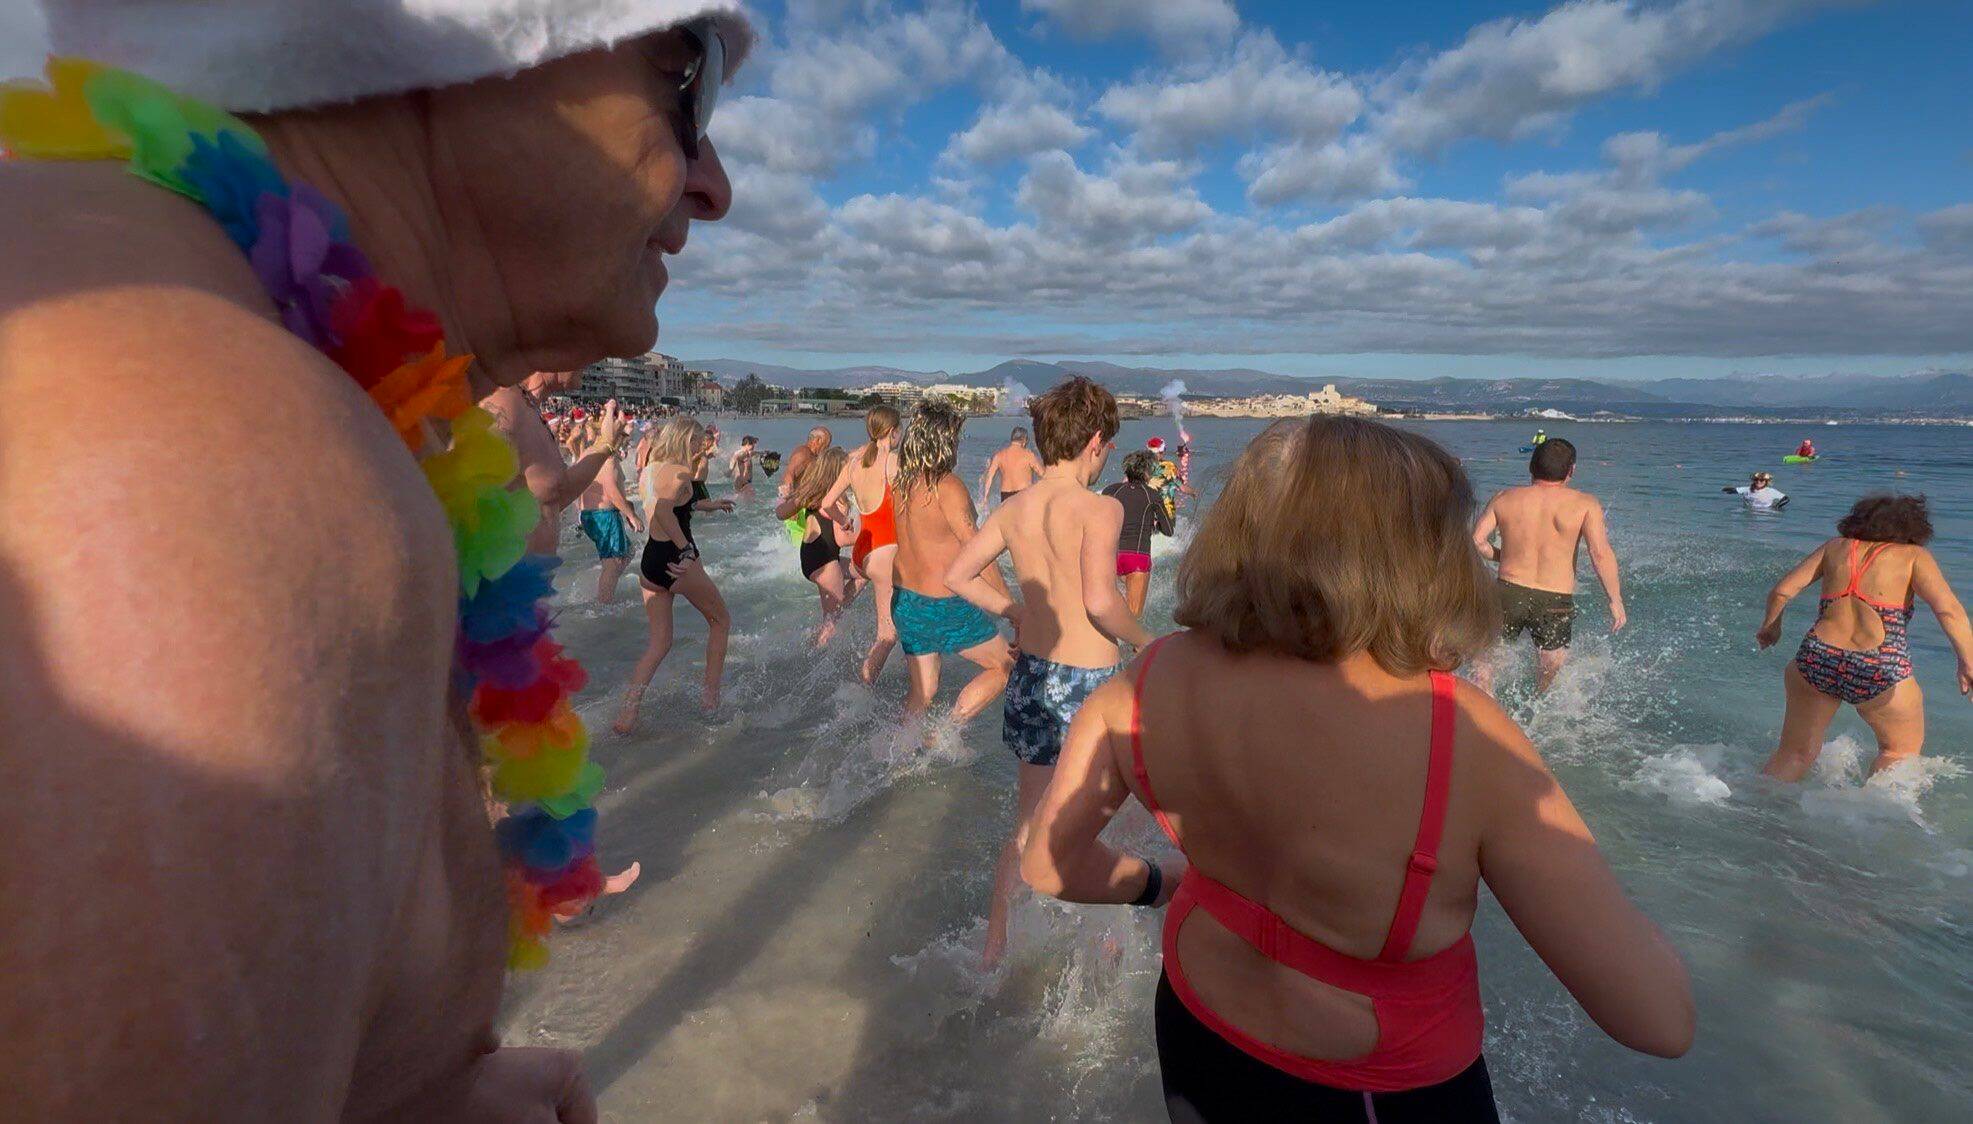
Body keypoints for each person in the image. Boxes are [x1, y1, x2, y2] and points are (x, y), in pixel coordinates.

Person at [0, 2, 751, 1117]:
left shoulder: (214, 351)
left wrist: (417, 1085)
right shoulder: (201, 437)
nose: (714, 182)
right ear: (445, 36)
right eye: (689, 81)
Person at [1022, 417, 1694, 1121]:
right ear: (1420, 552)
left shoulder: (1150, 674)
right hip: (1373, 1083)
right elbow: (1657, 1021)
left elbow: (1048, 866)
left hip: (1195, 1022)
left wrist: (1162, 883)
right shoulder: (1460, 730)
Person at [946, 377, 1151, 967]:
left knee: (1028, 824)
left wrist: (1014, 609)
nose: (1107, 452)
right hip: (1088, 686)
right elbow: (1099, 602)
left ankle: (993, 950)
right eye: (1108, 443)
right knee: (1110, 824)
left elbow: (959, 576)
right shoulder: (1101, 506)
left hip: (1032, 676)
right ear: (1095, 440)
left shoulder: (1016, 509)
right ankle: (1105, 952)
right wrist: (1152, 641)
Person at [1756, 494, 1973, 781]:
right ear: (1914, 529)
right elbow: (1948, 612)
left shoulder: (1834, 548)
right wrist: (1967, 661)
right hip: (1879, 665)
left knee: (1794, 753)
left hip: (1818, 656)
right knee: (1897, 753)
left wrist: (1771, 627)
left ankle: (1755, 811)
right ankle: (1876, 820)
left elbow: (1782, 591)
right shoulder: (1914, 557)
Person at [890, 401, 1015, 730]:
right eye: (956, 437)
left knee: (923, 693)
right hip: (943, 604)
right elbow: (978, 552)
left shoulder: (900, 485)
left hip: (905, 602)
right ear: (942, 442)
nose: (958, 444)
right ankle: (944, 733)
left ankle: (897, 757)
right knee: (1004, 666)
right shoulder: (948, 486)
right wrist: (1012, 609)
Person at [1472, 438, 1626, 694]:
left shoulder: (1504, 498)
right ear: (1571, 471)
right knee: (1550, 665)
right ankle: (1537, 704)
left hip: (1508, 592)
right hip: (1554, 600)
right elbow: (1600, 554)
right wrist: (1615, 599)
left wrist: (1503, 556)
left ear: (1531, 468)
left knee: (1486, 663)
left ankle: (1482, 709)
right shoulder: (1586, 504)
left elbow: (1477, 541)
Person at [616, 417, 733, 733]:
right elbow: (668, 510)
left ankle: (627, 716)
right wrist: (686, 550)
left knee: (659, 642)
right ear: (686, 441)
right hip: (676, 559)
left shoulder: (653, 468)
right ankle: (711, 703)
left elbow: (673, 503)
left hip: (651, 561)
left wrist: (710, 505)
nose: (701, 449)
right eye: (697, 443)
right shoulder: (681, 473)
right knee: (721, 621)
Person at [483, 373, 631, 555]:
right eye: (584, 346)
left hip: (535, 575)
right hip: (507, 577)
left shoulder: (527, 405)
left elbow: (555, 496)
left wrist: (606, 443)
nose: (592, 357)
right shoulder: (505, 405)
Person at [819, 406, 902, 683]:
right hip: (885, 548)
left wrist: (843, 521)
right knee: (888, 635)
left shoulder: (854, 464)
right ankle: (863, 686)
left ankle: (826, 633)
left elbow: (826, 504)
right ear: (892, 431)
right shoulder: (893, 462)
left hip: (863, 549)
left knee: (860, 583)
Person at [776, 447, 863, 648]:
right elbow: (842, 539)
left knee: (864, 571)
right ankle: (814, 659)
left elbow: (780, 513)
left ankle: (835, 613)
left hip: (809, 559)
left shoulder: (811, 494)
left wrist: (790, 499)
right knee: (831, 623)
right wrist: (868, 535)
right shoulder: (838, 500)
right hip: (826, 562)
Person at [576, 421, 645, 604]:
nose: (625, 444)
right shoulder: (609, 458)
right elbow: (611, 491)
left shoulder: (590, 452)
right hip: (604, 515)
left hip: (590, 514)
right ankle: (604, 604)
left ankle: (604, 587)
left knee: (626, 552)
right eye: (624, 439)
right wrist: (631, 516)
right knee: (613, 563)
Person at [1101, 450, 1175, 618]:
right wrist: (1154, 525)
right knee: (1134, 618)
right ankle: (1132, 645)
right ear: (1147, 472)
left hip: (1112, 557)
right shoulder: (1152, 496)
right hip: (1137, 559)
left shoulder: (1110, 491)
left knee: (1109, 613)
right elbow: (1169, 530)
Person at [980, 426, 1043, 506]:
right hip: (1023, 494)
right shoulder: (1029, 455)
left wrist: (985, 497)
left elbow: (989, 477)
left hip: (1006, 496)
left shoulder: (999, 456)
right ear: (1024, 440)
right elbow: (1043, 475)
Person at [779, 425, 834, 500]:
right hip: (795, 504)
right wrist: (787, 498)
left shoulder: (813, 455)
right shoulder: (804, 453)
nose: (827, 448)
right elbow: (790, 473)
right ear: (818, 440)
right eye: (827, 444)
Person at [728, 434, 759, 498]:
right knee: (750, 499)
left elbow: (755, 453)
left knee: (740, 499)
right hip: (742, 482)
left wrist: (765, 453)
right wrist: (730, 470)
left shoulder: (748, 453)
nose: (754, 447)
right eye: (752, 445)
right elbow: (734, 457)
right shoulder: (742, 453)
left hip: (745, 481)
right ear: (747, 444)